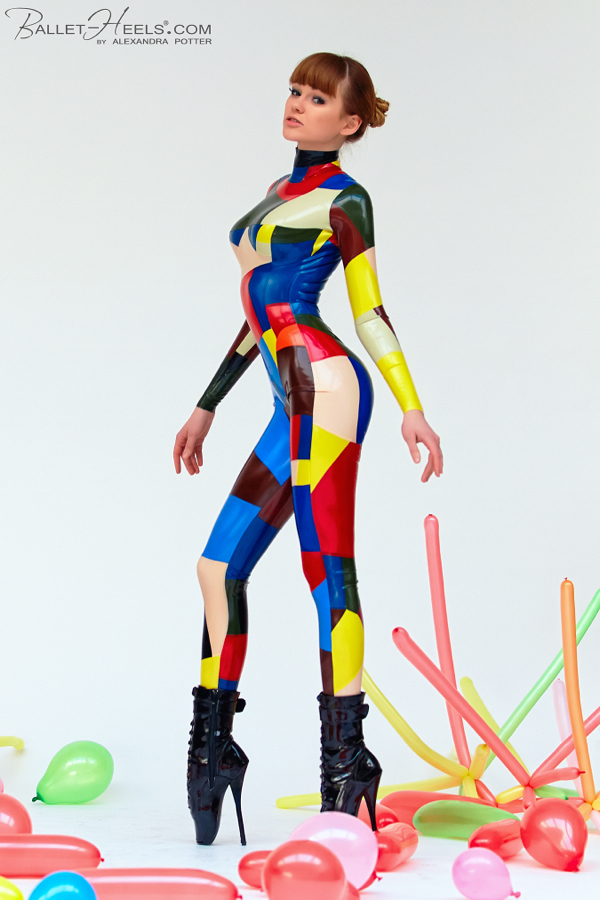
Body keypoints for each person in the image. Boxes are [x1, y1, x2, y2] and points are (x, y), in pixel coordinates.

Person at [174, 52, 443, 846]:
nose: (296, 103)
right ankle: (213, 746)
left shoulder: (346, 198)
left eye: (317, 97)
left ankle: (346, 762)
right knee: (217, 567)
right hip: (282, 397)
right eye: (294, 90)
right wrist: (207, 404)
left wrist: (411, 406)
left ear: (350, 122)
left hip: (326, 391)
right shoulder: (276, 193)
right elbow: (259, 312)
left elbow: (368, 312)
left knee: (326, 570)